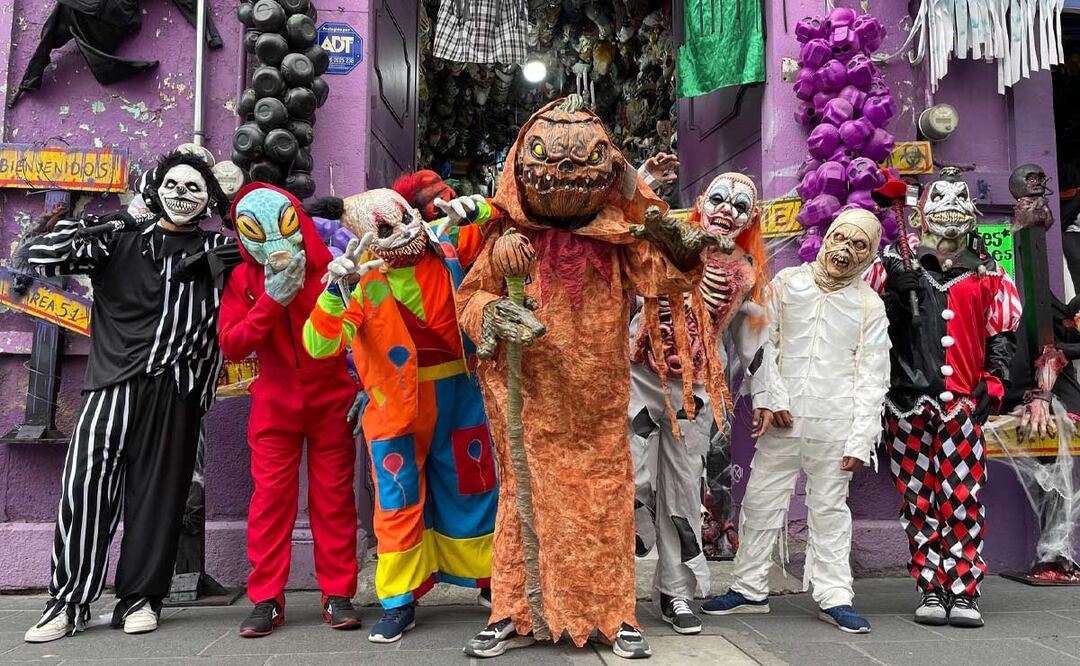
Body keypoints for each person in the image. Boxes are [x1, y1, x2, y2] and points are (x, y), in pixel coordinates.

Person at [456, 95, 718, 660]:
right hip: (529, 397)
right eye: (551, 159)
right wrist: (494, 314)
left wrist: (674, 241)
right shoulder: (504, 240)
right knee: (522, 503)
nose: (566, 174)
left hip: (597, 403)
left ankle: (613, 614)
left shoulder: (617, 238)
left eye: (586, 159)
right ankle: (514, 610)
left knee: (604, 500)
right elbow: (471, 297)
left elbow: (665, 278)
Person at [23, 151, 230, 642]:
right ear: (154, 189)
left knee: (160, 498)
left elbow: (271, 271)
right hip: (110, 385)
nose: (183, 193)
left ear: (207, 199)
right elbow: (37, 255)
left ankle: (139, 597)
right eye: (174, 184)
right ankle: (68, 602)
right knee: (86, 489)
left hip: (178, 391)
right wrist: (113, 219)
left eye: (195, 186)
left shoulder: (219, 247)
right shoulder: (119, 240)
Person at [303, 188, 499, 644]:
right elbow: (319, 345)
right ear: (365, 236)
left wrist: (481, 208)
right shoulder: (360, 279)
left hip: (459, 394)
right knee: (397, 500)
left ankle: (492, 580)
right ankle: (398, 600)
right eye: (388, 229)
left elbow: (502, 231)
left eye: (409, 217)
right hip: (394, 406)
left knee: (474, 486)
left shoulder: (445, 243)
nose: (408, 231)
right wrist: (335, 292)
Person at [703, 208, 889, 635]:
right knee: (761, 502)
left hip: (835, 424)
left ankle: (835, 595)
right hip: (783, 421)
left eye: (858, 245)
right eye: (840, 238)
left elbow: (873, 375)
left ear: (870, 254)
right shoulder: (789, 284)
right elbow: (765, 342)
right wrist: (772, 398)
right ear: (827, 237)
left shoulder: (868, 305)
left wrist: (861, 441)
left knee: (829, 511)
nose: (844, 251)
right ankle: (749, 588)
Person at [865, 167, 1021, 628]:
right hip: (907, 401)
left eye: (959, 197)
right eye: (940, 196)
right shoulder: (893, 263)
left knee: (962, 494)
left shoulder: (989, 271)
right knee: (917, 496)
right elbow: (867, 321)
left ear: (971, 212)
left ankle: (965, 589)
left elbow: (1002, 333)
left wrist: (992, 382)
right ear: (920, 212)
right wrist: (894, 295)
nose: (948, 205)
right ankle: (930, 586)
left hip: (962, 402)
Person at [218, 183, 363, 637]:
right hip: (274, 405)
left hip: (332, 397)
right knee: (270, 503)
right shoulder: (244, 279)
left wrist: (364, 386)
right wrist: (269, 300)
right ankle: (265, 598)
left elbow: (360, 329)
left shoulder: (329, 268)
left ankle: (338, 593)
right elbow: (232, 344)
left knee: (335, 499)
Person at [629, 172, 770, 634]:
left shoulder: (745, 273)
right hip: (639, 377)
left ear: (750, 218)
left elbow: (751, 340)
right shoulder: (665, 241)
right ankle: (617, 572)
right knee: (633, 477)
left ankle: (677, 592)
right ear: (702, 201)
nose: (728, 209)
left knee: (684, 490)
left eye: (740, 204)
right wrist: (640, 186)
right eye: (719, 199)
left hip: (695, 393)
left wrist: (767, 395)